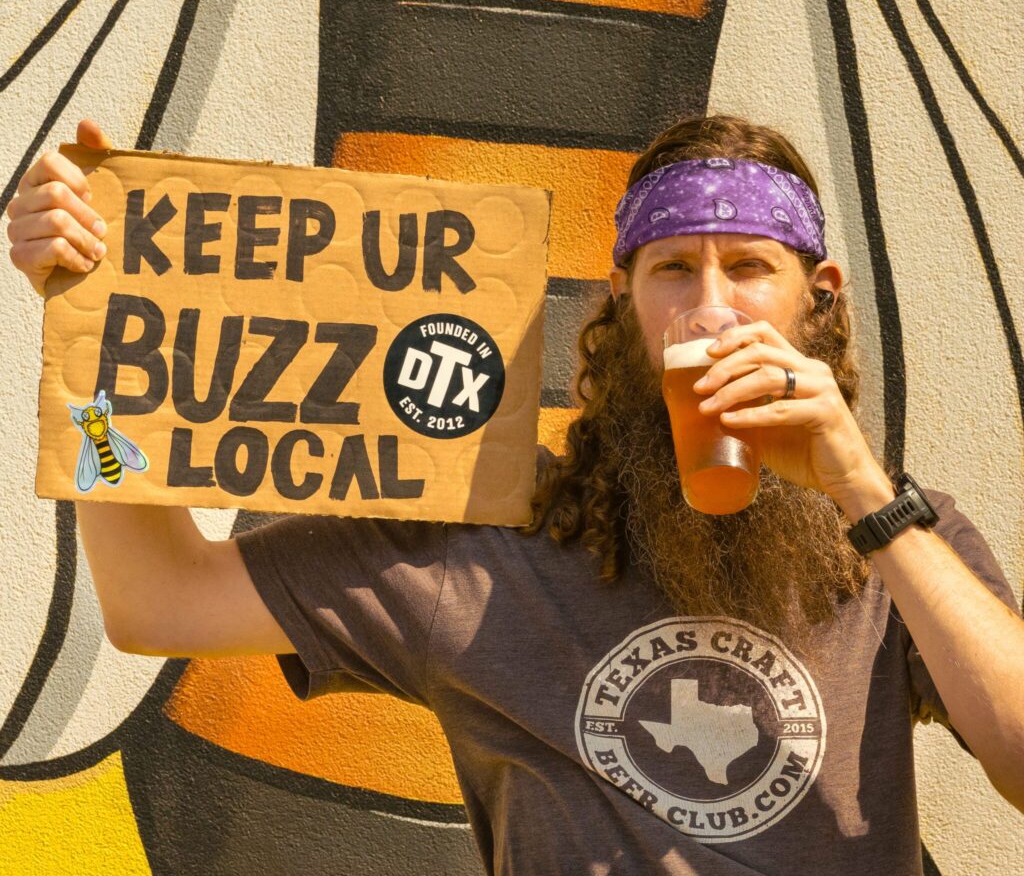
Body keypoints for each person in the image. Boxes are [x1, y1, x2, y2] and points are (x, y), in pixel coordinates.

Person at [8, 115, 1024, 875]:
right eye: (673, 268)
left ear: (820, 298)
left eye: (749, 267)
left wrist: (860, 489)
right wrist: (100, 351)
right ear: (617, 303)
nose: (709, 308)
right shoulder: (489, 543)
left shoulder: (897, 537)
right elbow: (159, 596)